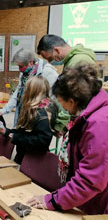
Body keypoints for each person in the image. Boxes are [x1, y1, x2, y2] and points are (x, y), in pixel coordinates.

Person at [27, 64, 108, 214]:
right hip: (91, 198)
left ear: (72, 101)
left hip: (100, 203)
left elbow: (90, 180)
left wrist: (52, 201)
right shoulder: (92, 112)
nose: (63, 108)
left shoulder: (99, 125)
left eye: (61, 102)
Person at [0, 76, 58, 164]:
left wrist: (16, 138)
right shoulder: (32, 108)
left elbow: (42, 142)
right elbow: (24, 132)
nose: (24, 92)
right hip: (24, 157)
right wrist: (7, 132)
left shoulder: (43, 114)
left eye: (26, 89)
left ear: (32, 92)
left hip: (34, 162)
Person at [0, 48, 58, 126]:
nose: (19, 70)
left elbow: (53, 99)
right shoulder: (25, 72)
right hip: (23, 113)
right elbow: (18, 92)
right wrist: (4, 109)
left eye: (21, 66)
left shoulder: (48, 72)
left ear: (30, 63)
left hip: (38, 117)